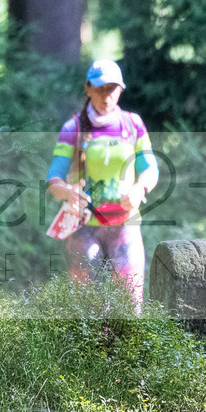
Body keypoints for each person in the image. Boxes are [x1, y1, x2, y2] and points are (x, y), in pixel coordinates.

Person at [46, 59, 159, 307]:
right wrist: (67, 191)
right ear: (88, 88)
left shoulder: (133, 125)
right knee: (88, 310)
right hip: (84, 227)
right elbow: (53, 178)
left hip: (125, 224)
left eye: (112, 89)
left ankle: (130, 346)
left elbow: (151, 169)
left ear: (120, 90)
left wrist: (139, 188)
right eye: (99, 88)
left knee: (130, 307)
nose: (106, 96)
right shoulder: (72, 128)